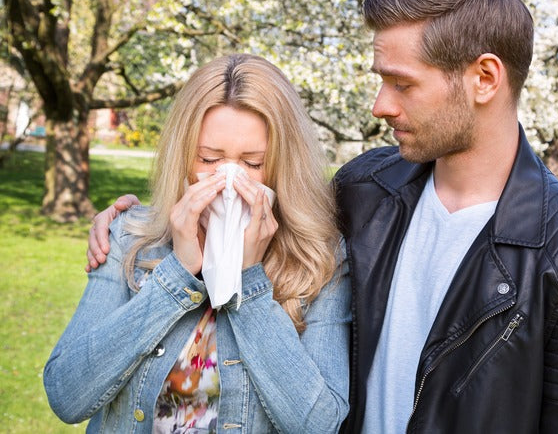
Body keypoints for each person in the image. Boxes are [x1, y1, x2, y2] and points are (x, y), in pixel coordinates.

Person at [87, 0, 558, 433]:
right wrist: (137, 222)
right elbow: (273, 218)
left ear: (485, 77)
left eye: (403, 83)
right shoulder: (363, 190)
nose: (379, 105)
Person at [47, 54, 350, 433]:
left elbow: (322, 424)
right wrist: (175, 276)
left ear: (282, 164)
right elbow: (66, 394)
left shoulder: (320, 261)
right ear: (183, 155)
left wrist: (250, 283)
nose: (228, 181)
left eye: (253, 164)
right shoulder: (129, 237)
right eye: (209, 159)